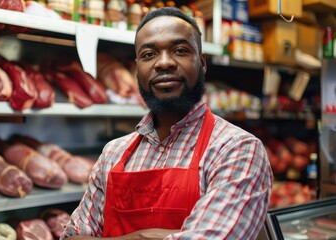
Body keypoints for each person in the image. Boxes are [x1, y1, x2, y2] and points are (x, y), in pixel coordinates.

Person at [61, 7, 273, 240]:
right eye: (149, 54)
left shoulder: (237, 149)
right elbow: (72, 236)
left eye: (180, 50)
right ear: (137, 69)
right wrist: (150, 236)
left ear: (202, 62)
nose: (163, 63)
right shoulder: (113, 153)